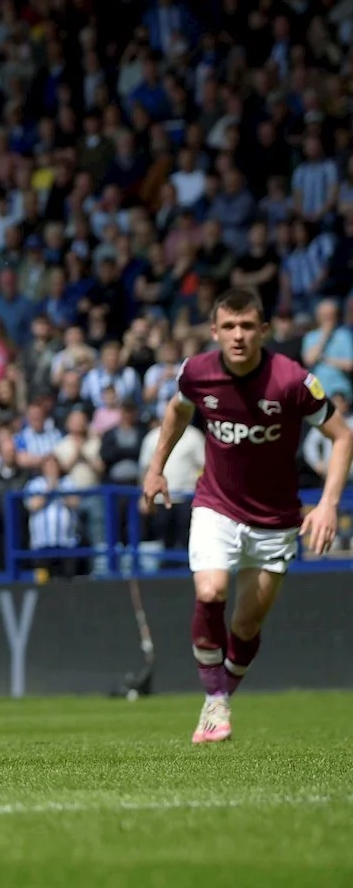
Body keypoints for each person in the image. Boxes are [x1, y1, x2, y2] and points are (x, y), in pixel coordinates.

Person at [143, 287, 351, 744]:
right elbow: (177, 412)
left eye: (247, 327)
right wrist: (156, 468)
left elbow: (342, 437)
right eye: (229, 327)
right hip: (216, 505)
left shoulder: (292, 381)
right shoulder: (196, 373)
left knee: (246, 625)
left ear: (264, 331)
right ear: (214, 331)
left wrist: (329, 502)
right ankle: (216, 701)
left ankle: (219, 700)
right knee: (211, 589)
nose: (238, 336)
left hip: (275, 521)